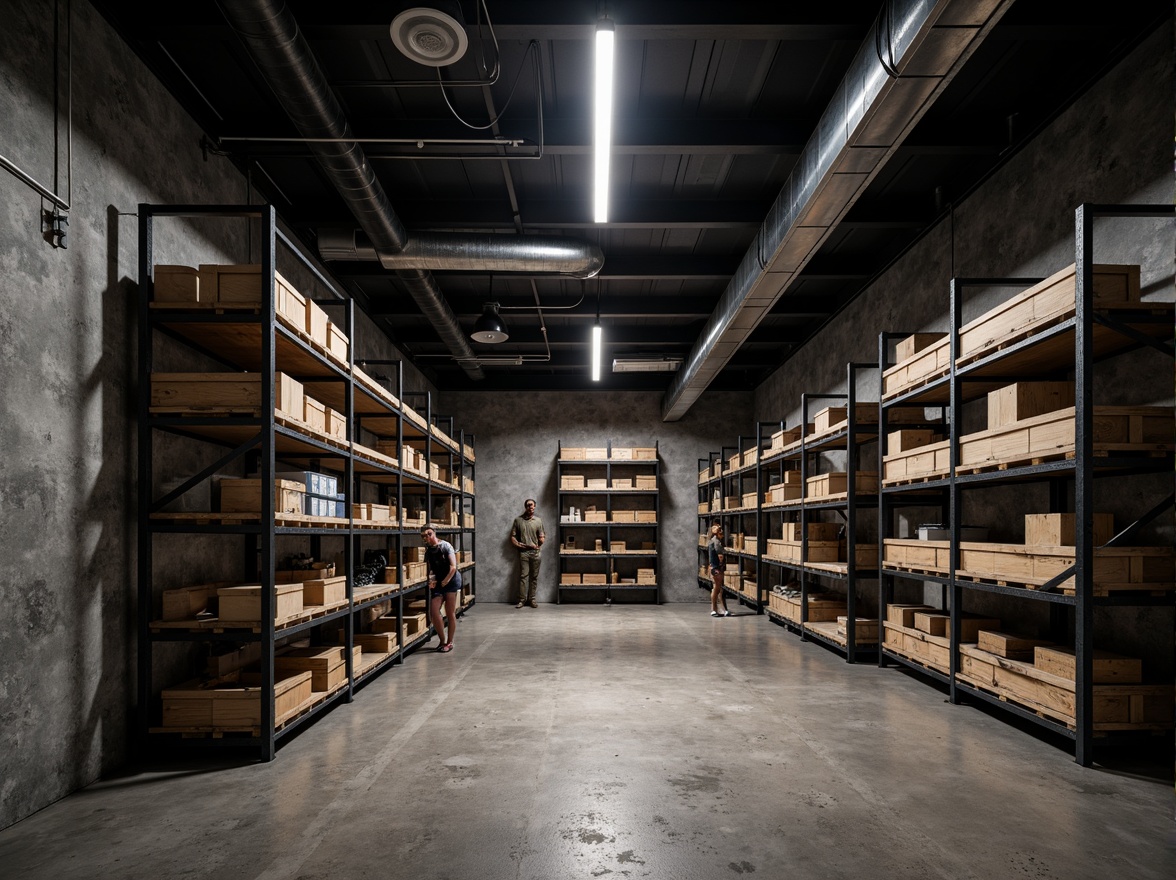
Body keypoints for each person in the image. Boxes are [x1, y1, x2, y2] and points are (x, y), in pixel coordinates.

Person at [422, 524, 461, 652]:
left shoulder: (445, 546)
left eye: (429, 534)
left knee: (450, 612)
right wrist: (431, 580)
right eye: (424, 536)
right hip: (439, 582)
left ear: (434, 533)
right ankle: (442, 640)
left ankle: (450, 642)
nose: (427, 537)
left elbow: (453, 566)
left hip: (451, 580)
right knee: (434, 611)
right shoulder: (428, 550)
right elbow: (430, 569)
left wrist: (446, 580)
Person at [510, 498, 545, 608]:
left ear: (535, 507)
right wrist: (519, 545)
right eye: (529, 505)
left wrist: (539, 543)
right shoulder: (518, 520)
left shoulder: (538, 521)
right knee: (523, 576)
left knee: (534, 577)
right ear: (525, 507)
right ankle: (522, 600)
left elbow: (542, 536)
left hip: (535, 553)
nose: (531, 507)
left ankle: (532, 599)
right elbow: (512, 537)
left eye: (533, 505)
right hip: (523, 553)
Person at [708, 521, 733, 617]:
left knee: (719, 589)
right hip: (716, 567)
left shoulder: (713, 540)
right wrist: (726, 551)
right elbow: (720, 553)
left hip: (715, 567)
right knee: (717, 588)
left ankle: (723, 609)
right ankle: (714, 609)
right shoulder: (716, 541)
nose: (722, 533)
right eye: (720, 531)